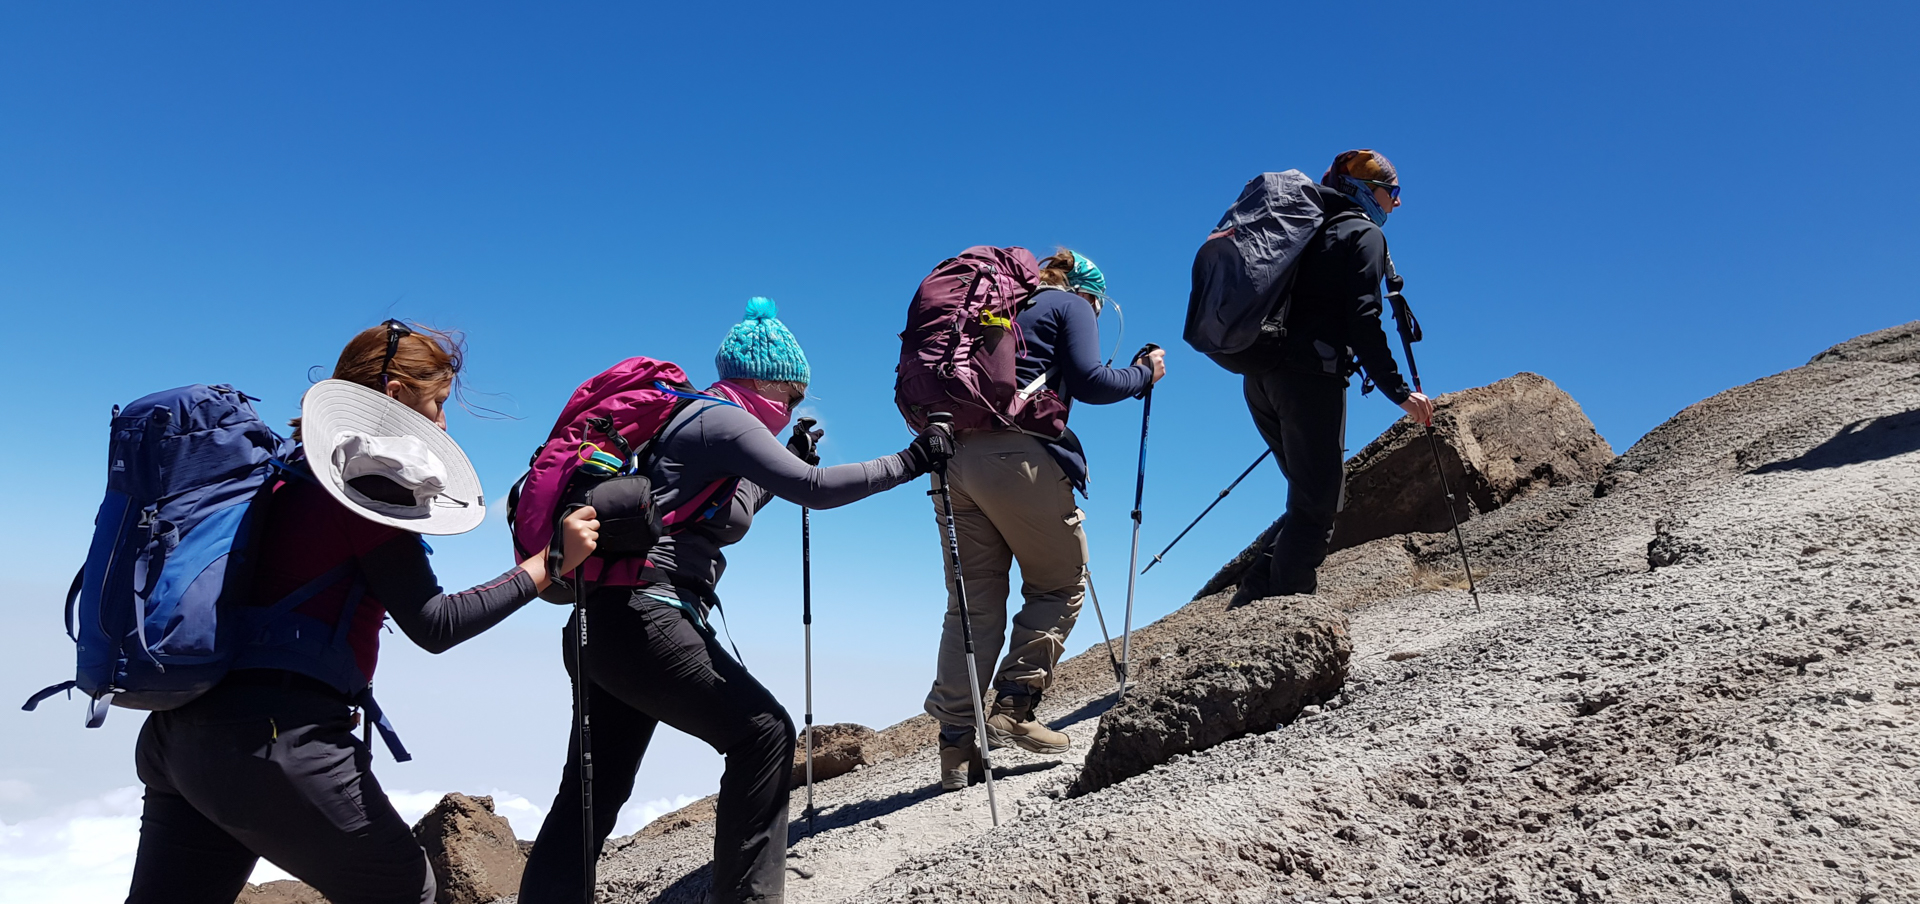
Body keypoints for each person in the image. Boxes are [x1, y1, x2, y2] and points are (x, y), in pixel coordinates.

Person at [126, 321, 602, 904]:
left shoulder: (278, 476)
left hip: (179, 739)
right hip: (274, 742)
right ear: (398, 396)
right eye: (438, 402)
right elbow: (435, 624)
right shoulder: (363, 490)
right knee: (404, 889)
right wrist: (549, 563)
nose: (444, 423)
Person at [518, 298, 949, 904]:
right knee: (764, 733)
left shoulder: (692, 419)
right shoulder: (727, 420)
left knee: (592, 792)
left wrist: (787, 461)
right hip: (647, 620)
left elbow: (724, 511)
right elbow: (817, 492)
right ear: (765, 380)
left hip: (604, 624)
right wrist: (911, 460)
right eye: (792, 397)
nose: (790, 410)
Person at [925, 250, 1166, 791]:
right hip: (1018, 458)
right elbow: (1094, 381)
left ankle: (956, 750)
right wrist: (1144, 373)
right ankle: (1014, 703)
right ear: (1092, 295)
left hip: (951, 460)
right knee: (1061, 581)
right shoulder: (1069, 303)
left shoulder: (993, 308)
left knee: (973, 602)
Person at [1230, 149, 1435, 606]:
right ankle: (1283, 616)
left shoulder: (1302, 230)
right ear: (1365, 191)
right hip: (1310, 379)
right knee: (1319, 504)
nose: (1396, 203)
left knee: (1309, 498)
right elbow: (1364, 319)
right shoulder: (1362, 233)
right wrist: (1400, 393)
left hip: (1259, 376)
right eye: (1392, 191)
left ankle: (1252, 602)